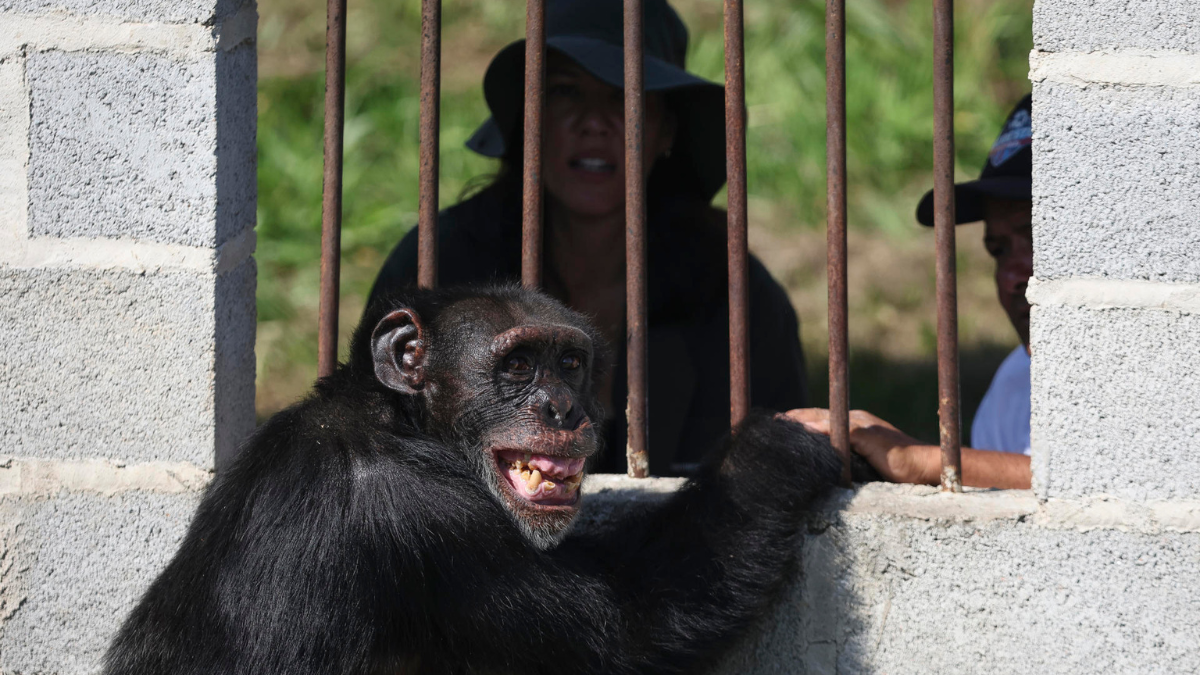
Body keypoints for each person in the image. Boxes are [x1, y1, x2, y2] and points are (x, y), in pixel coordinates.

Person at [366, 0, 809, 476]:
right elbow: (374, 455)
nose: (594, 121)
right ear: (529, 120)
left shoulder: (734, 295)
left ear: (666, 131)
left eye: (624, 96)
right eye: (564, 92)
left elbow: (772, 476)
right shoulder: (445, 266)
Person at [786, 94, 1034, 490]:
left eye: (1038, 237)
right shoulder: (1015, 385)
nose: (1010, 278)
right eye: (999, 250)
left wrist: (920, 460)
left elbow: (1096, 485)